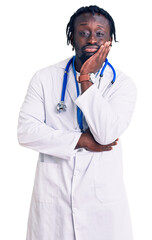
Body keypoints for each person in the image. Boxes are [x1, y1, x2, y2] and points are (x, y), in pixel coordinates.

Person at [18, 5, 137, 240]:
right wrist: (80, 140)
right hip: (54, 207)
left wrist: (85, 78)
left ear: (110, 40)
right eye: (83, 32)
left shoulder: (123, 85)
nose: (92, 38)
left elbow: (105, 135)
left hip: (102, 208)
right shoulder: (44, 78)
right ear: (71, 37)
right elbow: (26, 131)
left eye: (100, 33)